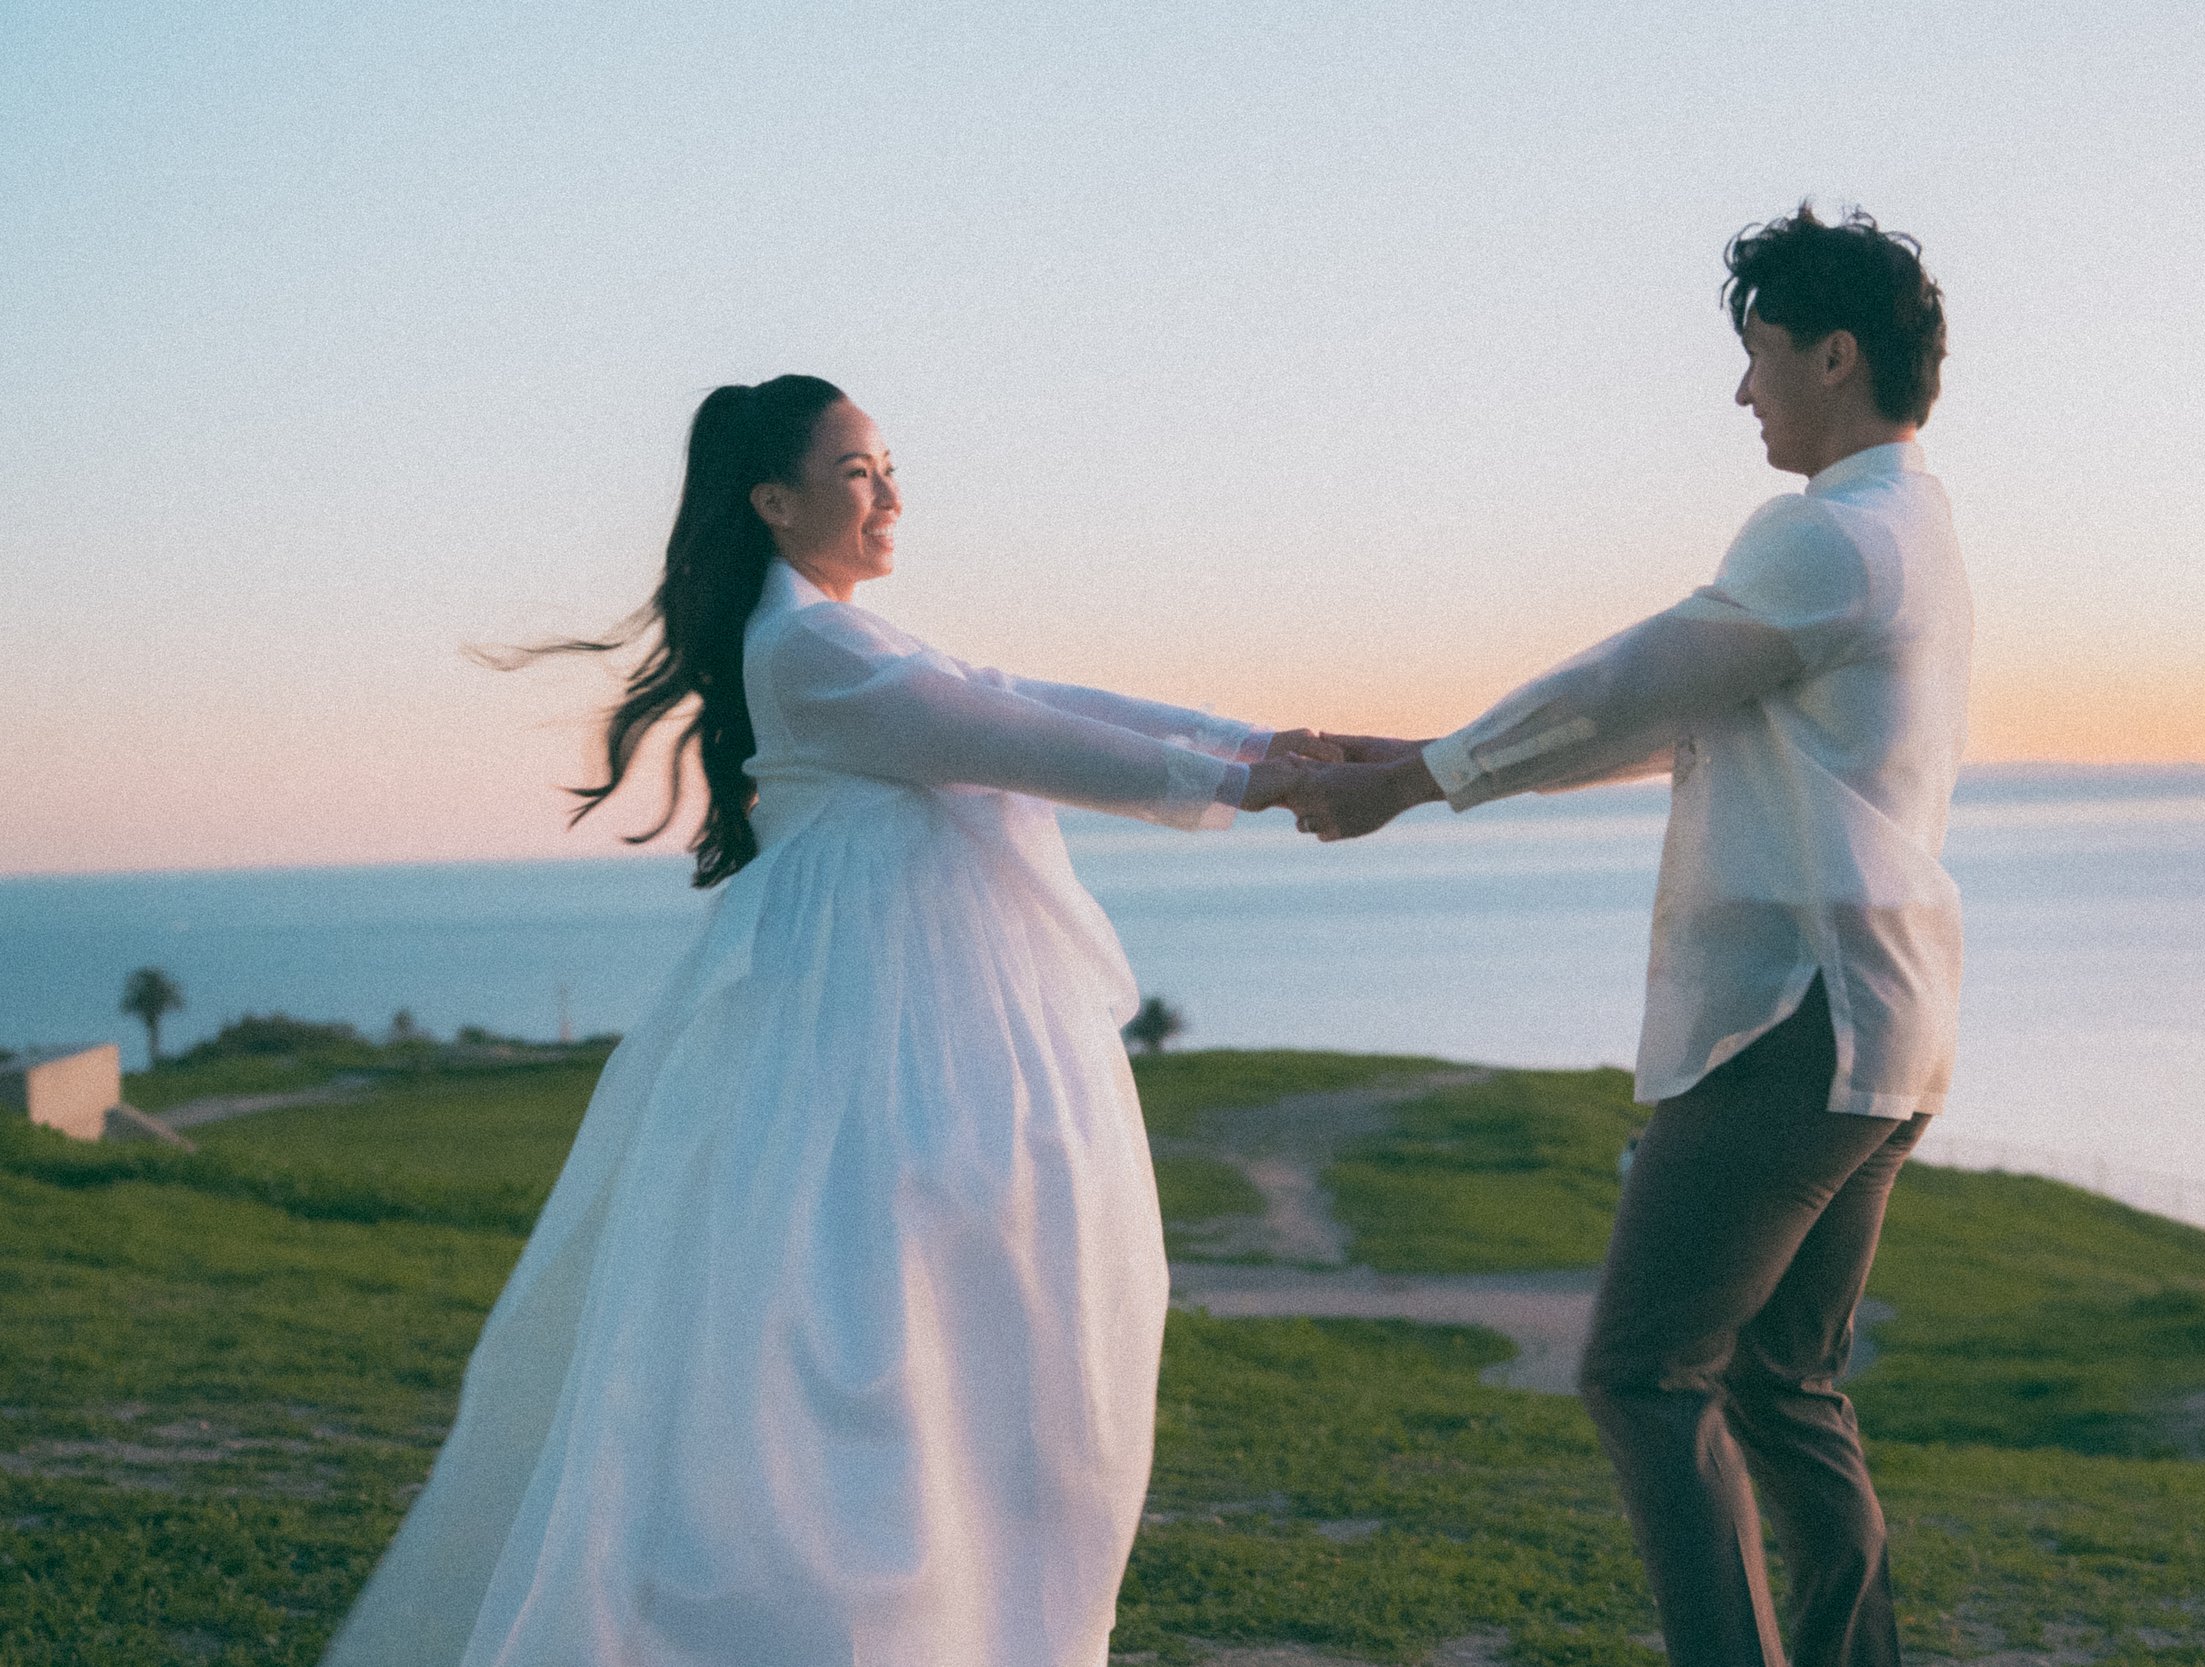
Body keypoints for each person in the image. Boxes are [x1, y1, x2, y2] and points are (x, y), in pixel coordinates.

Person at [321, 376, 1329, 1667]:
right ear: (774, 501)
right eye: (859, 473)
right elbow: (1022, 739)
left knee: (937, 1386)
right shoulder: (807, 648)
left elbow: (1038, 696)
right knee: (866, 1392)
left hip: (902, 1054)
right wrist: (1262, 783)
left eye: (891, 466)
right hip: (863, 1073)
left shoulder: (856, 639)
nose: (893, 494)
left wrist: (1269, 747)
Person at [1287, 206, 1967, 1667]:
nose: (1743, 393)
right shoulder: (1915, 530)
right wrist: (1430, 754)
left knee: (1646, 1376)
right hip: (1889, 1023)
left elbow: (1625, 680)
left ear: (1834, 356)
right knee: (1787, 1389)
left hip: (1797, 1017)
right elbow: (1685, 720)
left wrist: (1414, 784)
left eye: (1760, 356)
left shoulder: (1826, 538)